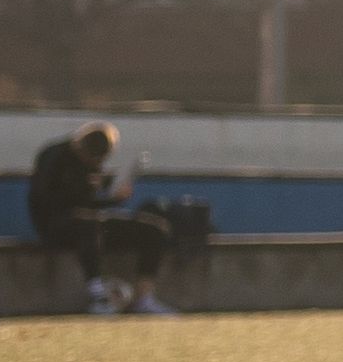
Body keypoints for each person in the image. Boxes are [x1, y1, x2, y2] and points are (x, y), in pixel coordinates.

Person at [20, 123, 206, 313]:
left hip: (91, 221)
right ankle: (98, 295)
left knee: (153, 229)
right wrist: (105, 200)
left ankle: (144, 297)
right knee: (87, 224)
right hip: (55, 224)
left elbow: (91, 201)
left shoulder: (91, 165)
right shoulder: (54, 156)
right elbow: (53, 201)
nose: (96, 166)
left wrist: (112, 196)